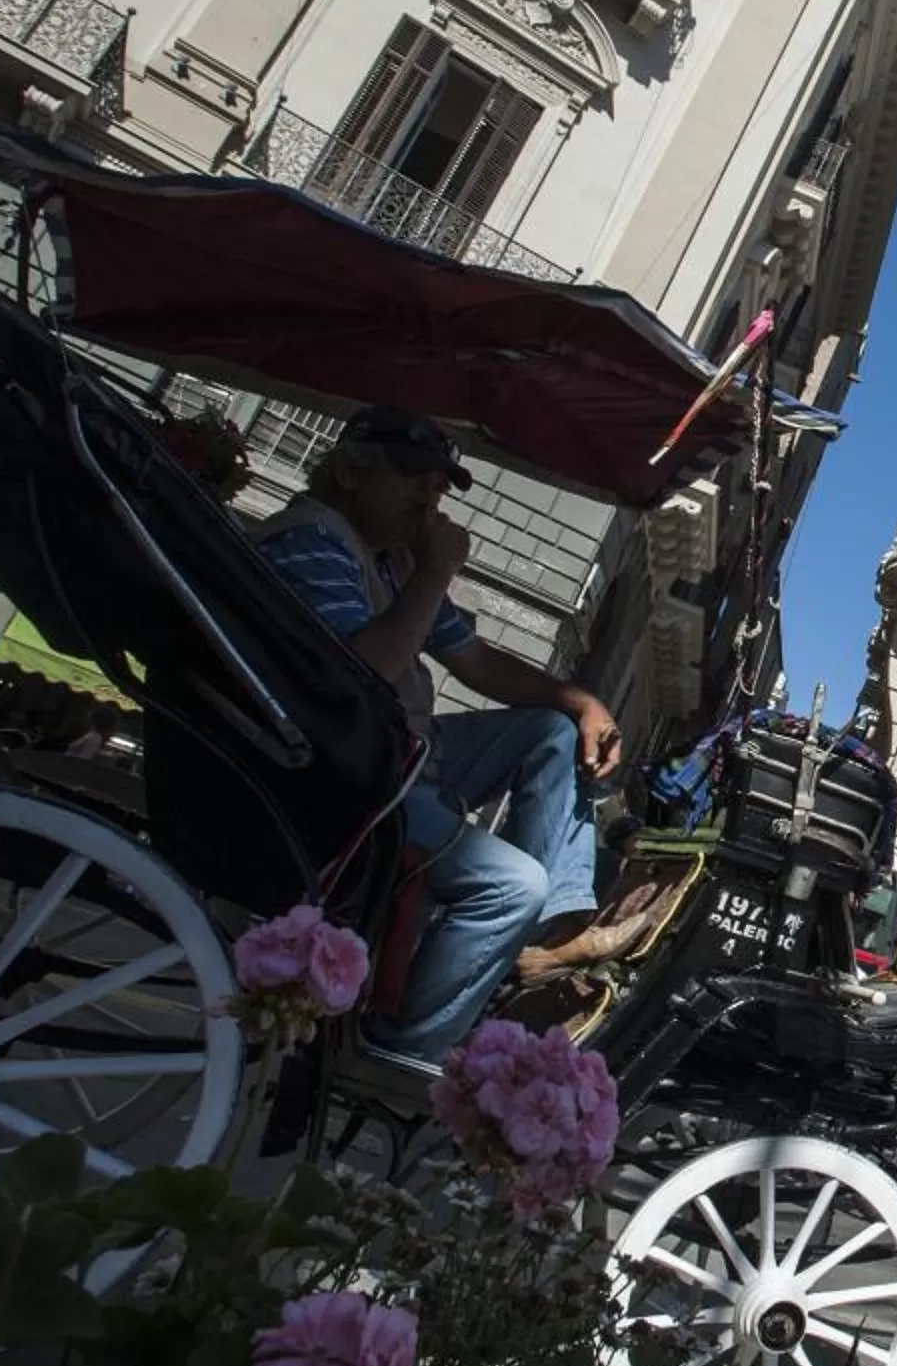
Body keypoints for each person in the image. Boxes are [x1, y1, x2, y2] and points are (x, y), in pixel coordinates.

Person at [253, 408, 642, 1063]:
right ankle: (401, 1049)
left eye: (436, 489)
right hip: (344, 769)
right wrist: (435, 572)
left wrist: (582, 703)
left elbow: (478, 664)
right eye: (414, 483)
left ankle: (556, 928)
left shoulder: (389, 564)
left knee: (549, 731)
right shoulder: (311, 542)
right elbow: (363, 673)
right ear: (350, 471)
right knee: (511, 884)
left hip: (395, 752)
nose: (428, 502)